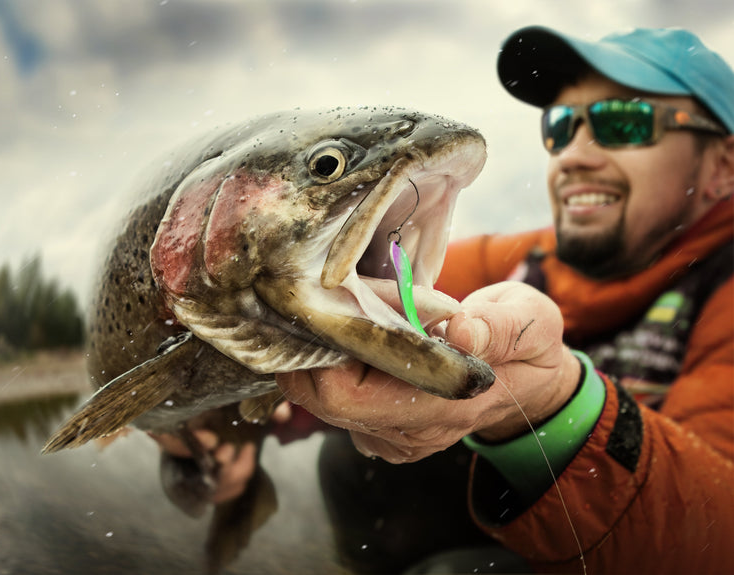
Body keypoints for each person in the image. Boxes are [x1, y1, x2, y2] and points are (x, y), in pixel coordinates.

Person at [156, 25, 734, 574]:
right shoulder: (526, 258)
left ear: (723, 166)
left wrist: (557, 403)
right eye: (560, 125)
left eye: (622, 122)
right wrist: (227, 422)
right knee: (355, 465)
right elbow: (327, 305)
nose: (574, 154)